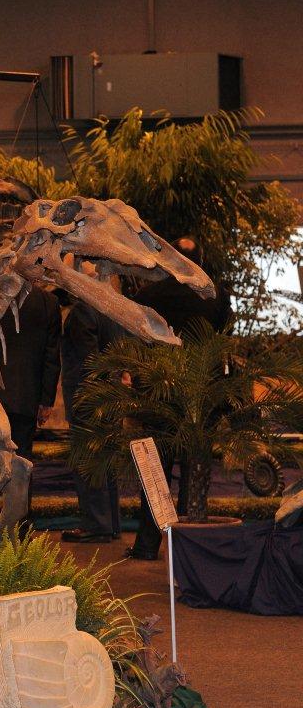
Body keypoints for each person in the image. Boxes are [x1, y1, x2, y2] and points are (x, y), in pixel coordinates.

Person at [125, 237, 232, 560]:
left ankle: (147, 545)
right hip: (199, 397)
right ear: (199, 260)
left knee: (154, 472)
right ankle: (188, 547)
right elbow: (223, 336)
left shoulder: (149, 295)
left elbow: (137, 338)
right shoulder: (215, 296)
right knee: (194, 470)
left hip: (159, 393)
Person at [0, 282, 61, 530]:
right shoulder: (48, 302)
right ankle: (20, 528)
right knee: (22, 463)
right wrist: (46, 400)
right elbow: (51, 355)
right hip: (26, 395)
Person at [60, 292, 127, 544]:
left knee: (88, 461)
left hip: (88, 397)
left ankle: (96, 524)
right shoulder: (111, 310)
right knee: (106, 462)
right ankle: (111, 524)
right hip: (110, 394)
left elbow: (88, 361)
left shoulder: (82, 312)